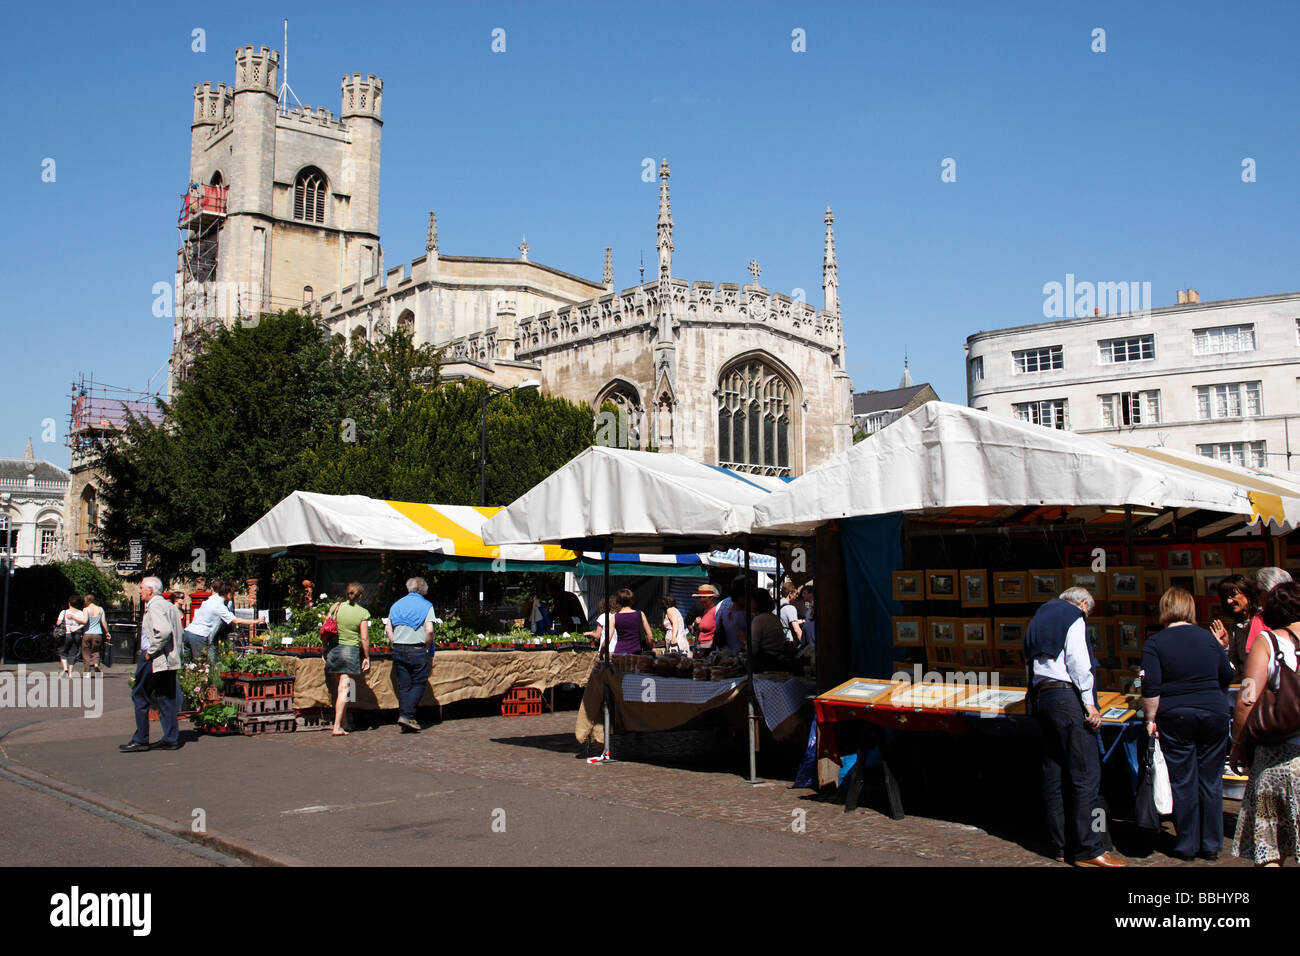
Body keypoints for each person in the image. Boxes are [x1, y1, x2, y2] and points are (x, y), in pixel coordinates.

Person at [1025, 586, 1126, 866]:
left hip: (1041, 696)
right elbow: (1079, 662)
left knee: (1054, 772)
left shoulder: (1038, 618)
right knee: (1086, 774)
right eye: (1088, 612)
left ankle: (1060, 846)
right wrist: (1089, 703)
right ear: (1082, 604)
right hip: (1065, 696)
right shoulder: (1073, 616)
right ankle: (1089, 850)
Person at [1141, 587, 1233, 860]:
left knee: (1183, 780)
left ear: (1164, 609)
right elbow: (1226, 675)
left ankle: (1187, 844)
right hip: (1214, 712)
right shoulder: (1208, 639)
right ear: (1191, 609)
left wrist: (1150, 720)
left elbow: (1150, 688)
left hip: (1177, 713)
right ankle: (1211, 845)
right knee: (1211, 781)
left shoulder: (1155, 643)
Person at [1231, 580, 1300, 866]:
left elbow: (1247, 699)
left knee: (1270, 848)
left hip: (1275, 758)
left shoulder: (1268, 642)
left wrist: (1238, 744)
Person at [121, 577, 184, 752]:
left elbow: (163, 631)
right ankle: (171, 738)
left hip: (155, 658)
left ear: (150, 590)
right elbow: (178, 632)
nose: (139, 591)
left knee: (140, 695)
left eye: (141, 588)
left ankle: (141, 739)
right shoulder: (169, 606)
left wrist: (150, 651)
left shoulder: (155, 606)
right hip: (169, 660)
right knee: (166, 698)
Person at [386, 577, 437, 733]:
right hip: (417, 649)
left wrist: (396, 641)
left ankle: (406, 715)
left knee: (403, 685)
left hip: (399, 648)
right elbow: (429, 630)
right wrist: (427, 647)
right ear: (423, 589)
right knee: (419, 683)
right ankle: (407, 715)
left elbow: (388, 628)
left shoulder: (396, 605)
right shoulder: (426, 606)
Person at [325, 582, 371, 736]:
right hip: (350, 650)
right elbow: (364, 638)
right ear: (360, 596)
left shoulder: (335, 607)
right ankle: (337, 726)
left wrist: (324, 648)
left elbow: (326, 627)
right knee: (344, 688)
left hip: (334, 648)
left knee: (340, 687)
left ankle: (343, 721)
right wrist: (366, 656)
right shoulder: (362, 613)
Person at [184, 579, 255, 666]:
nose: (233, 595)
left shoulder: (210, 599)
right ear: (226, 592)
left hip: (188, 633)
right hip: (199, 636)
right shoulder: (219, 605)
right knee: (202, 666)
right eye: (232, 593)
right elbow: (236, 620)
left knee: (187, 665)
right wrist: (256, 621)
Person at [1210, 575, 1263, 673]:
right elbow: (1234, 668)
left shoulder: (1263, 620)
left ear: (1247, 593)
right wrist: (1225, 647)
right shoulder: (1235, 627)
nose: (1229, 601)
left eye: (1233, 595)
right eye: (1225, 597)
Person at [749, 589, 787, 670]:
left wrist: (744, 640)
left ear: (757, 602)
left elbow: (753, 649)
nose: (749, 603)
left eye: (751, 601)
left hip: (765, 664)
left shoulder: (759, 619)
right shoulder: (774, 617)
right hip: (775, 661)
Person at [712, 577, 751, 654]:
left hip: (724, 656)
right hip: (741, 657)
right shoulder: (748, 615)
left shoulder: (722, 612)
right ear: (742, 597)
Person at [610, 588, 653, 655]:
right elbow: (650, 637)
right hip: (637, 653)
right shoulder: (640, 614)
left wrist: (601, 654)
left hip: (620, 654)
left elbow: (607, 640)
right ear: (632, 600)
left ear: (618, 601)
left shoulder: (614, 617)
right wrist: (649, 649)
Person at [56, 595, 86, 677]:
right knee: (73, 653)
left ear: (69, 603)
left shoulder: (64, 612)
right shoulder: (81, 613)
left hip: (66, 634)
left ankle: (65, 669)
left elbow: (58, 623)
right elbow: (84, 623)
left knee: (62, 651)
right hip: (77, 634)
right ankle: (70, 673)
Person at [80, 593, 105, 674]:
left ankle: (87, 672)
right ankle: (96, 664)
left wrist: (75, 619)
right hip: (98, 634)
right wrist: (107, 632)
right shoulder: (100, 609)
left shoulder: (86, 609)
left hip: (87, 633)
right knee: (96, 651)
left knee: (86, 652)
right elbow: (103, 622)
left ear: (86, 600)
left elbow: (85, 621)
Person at [690, 584, 719, 651]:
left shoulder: (716, 611)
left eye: (704, 597)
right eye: (700, 597)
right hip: (701, 646)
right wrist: (696, 623)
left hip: (709, 647)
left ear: (711, 598)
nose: (701, 600)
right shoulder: (705, 610)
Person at [779, 580, 804, 646]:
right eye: (796, 594)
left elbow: (785, 620)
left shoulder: (776, 605)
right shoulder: (790, 608)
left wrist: (802, 621)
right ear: (790, 594)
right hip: (788, 642)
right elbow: (797, 630)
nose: (797, 596)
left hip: (778, 640)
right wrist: (805, 644)